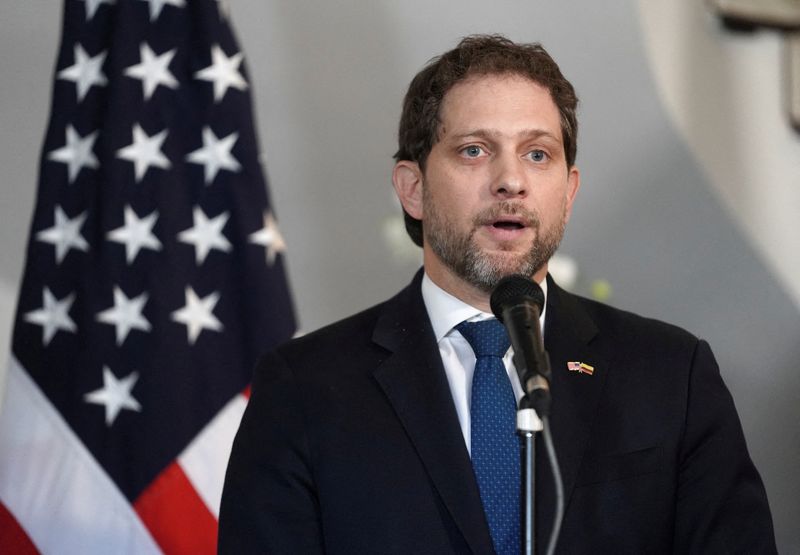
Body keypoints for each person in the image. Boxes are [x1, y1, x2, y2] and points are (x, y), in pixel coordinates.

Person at [218, 35, 776, 554]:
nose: (512, 181)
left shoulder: (670, 375)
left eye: (538, 154)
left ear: (568, 191)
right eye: (474, 151)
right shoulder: (304, 389)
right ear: (413, 189)